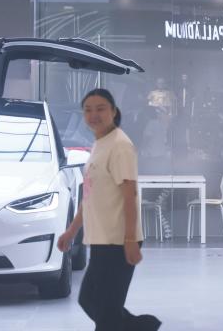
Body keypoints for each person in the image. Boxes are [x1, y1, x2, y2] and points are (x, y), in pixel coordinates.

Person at [58, 88, 161, 331]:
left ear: (114, 112)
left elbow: (130, 194)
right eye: (88, 110)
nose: (94, 114)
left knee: (106, 311)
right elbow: (91, 196)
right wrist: (71, 232)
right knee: (91, 301)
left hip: (117, 241)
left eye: (101, 109)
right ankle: (143, 327)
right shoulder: (100, 143)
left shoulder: (120, 146)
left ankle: (141, 327)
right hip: (102, 241)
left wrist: (129, 240)